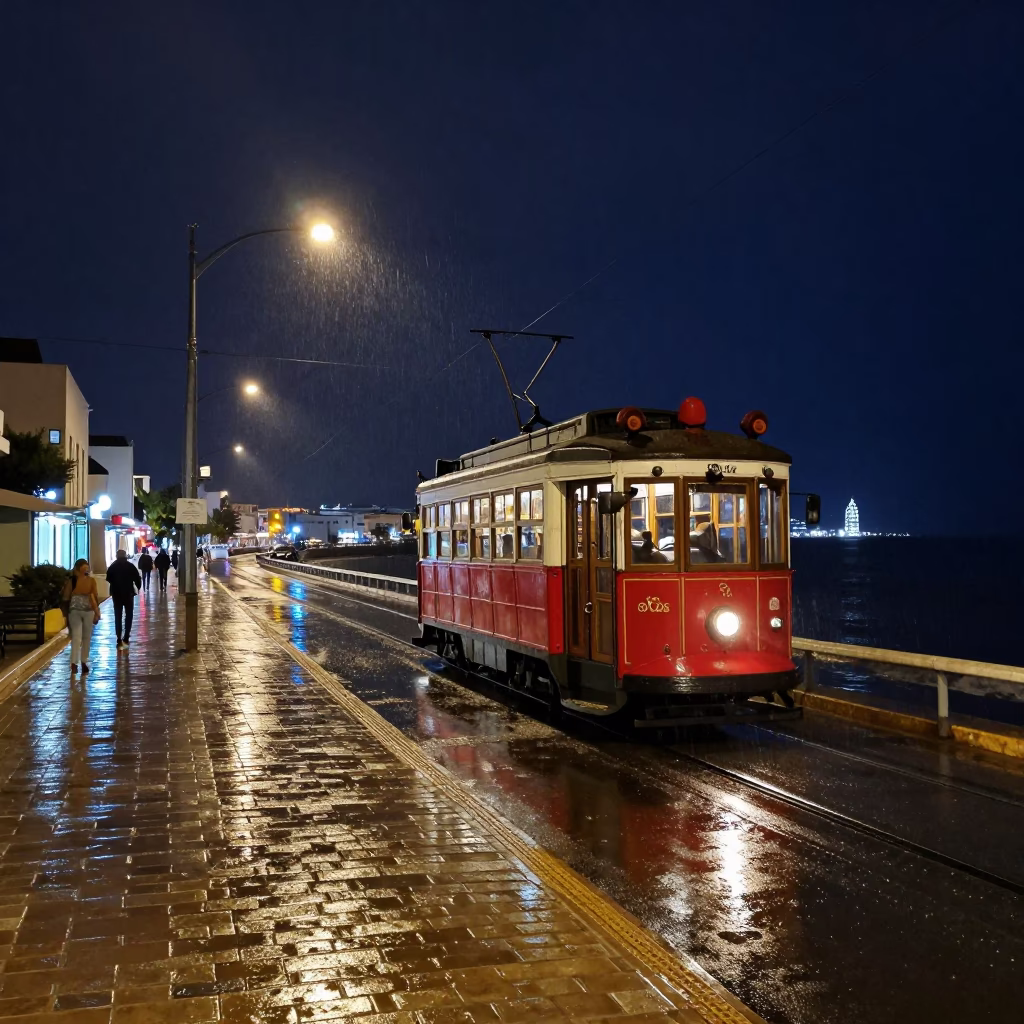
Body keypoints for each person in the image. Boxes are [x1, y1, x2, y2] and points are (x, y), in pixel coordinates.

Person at [62, 559, 100, 676]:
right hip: (88, 611)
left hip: (74, 611)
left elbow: (65, 598)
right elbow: (95, 597)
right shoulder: (91, 581)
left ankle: (74, 663)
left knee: (76, 637)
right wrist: (97, 611)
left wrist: (65, 613)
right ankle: (84, 661)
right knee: (86, 637)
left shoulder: (71, 581)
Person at [106, 549, 142, 648]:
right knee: (129, 615)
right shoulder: (130, 566)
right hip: (128, 594)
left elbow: (108, 578)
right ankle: (126, 636)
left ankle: (118, 636)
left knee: (118, 615)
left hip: (116, 594)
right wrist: (137, 588)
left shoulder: (112, 567)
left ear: (117, 555)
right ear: (125, 555)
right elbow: (137, 578)